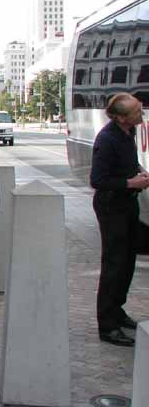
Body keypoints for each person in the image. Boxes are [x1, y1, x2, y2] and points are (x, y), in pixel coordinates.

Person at [90, 92, 149, 347]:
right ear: (122, 118)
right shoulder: (107, 139)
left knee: (128, 260)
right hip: (111, 207)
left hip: (127, 205)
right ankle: (107, 325)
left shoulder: (128, 133)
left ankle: (118, 310)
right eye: (137, 112)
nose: (141, 114)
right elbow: (98, 180)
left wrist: (138, 170)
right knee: (114, 264)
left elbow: (127, 162)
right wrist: (130, 183)